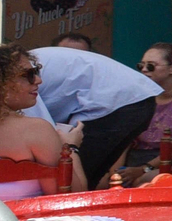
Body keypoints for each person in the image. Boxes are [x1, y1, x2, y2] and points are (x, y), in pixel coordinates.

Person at [33, 45, 162, 187]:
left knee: (75, 177)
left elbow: (38, 128)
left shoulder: (20, 73)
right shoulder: (29, 63)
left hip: (118, 102)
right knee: (89, 176)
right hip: (135, 98)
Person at [0, 45, 86, 198]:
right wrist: (70, 147)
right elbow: (72, 197)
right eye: (28, 75)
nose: (38, 80)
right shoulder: (35, 130)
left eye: (36, 72)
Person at [119, 42, 172, 179]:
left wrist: (144, 169)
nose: (144, 70)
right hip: (132, 158)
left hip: (164, 163)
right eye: (141, 66)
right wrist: (114, 172)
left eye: (151, 66)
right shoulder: (139, 99)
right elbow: (124, 140)